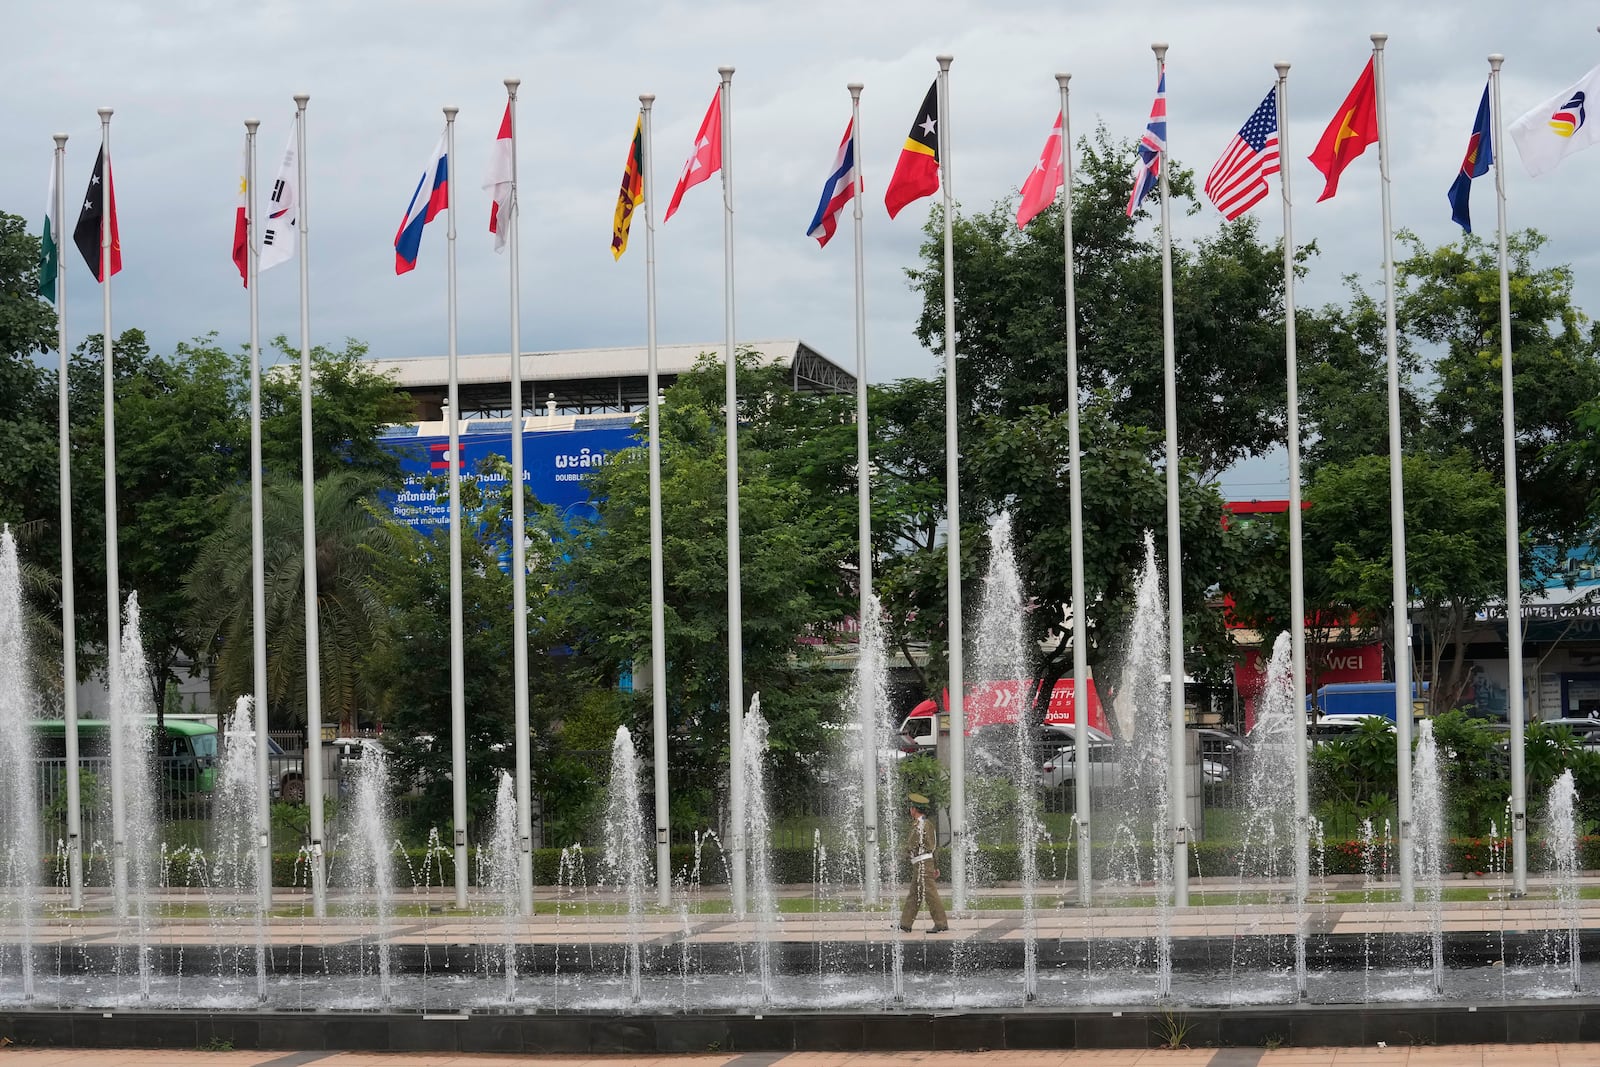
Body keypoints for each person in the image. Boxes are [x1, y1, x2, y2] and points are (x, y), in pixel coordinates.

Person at [899, 793, 948, 933]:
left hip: (922, 864)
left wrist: (900, 858)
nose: (910, 811)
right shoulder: (926, 823)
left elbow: (912, 845)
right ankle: (905, 923)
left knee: (930, 894)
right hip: (922, 863)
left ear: (914, 809)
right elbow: (934, 846)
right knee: (914, 894)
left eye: (911, 808)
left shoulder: (921, 824)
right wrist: (935, 865)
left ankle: (941, 923)